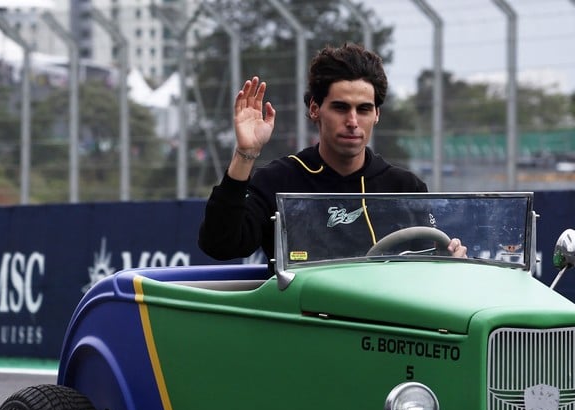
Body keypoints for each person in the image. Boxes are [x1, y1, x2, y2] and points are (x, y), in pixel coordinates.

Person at [198, 42, 466, 262]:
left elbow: (432, 268)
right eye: (340, 107)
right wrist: (246, 152)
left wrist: (453, 262)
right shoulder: (278, 180)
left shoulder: (405, 187)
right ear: (315, 109)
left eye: (363, 109)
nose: (352, 121)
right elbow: (221, 245)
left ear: (376, 115)